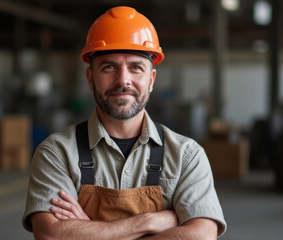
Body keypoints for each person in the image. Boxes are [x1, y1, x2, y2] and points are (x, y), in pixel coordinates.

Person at [22, 6, 226, 239]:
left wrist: (88, 230)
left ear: (151, 79)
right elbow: (52, 235)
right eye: (109, 67)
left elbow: (202, 235)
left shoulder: (187, 156)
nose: (123, 80)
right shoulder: (56, 153)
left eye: (136, 67)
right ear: (90, 78)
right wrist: (149, 221)